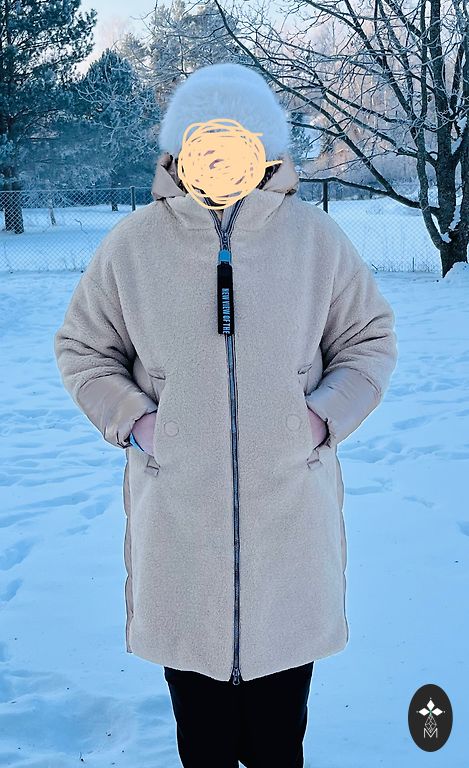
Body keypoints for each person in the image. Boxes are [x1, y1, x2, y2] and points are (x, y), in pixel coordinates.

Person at [54, 62, 398, 767]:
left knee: (278, 740)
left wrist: (317, 419)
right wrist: (140, 422)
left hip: (289, 533)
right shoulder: (133, 246)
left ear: (265, 147)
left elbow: (368, 341)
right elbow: (84, 349)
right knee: (203, 742)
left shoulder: (315, 241)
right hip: (180, 536)